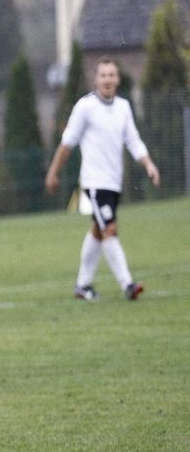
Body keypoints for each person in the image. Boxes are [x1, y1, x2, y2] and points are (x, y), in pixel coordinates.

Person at [45, 57, 160, 301]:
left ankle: (82, 285)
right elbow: (67, 144)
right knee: (109, 228)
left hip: (114, 182)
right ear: (95, 79)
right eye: (103, 75)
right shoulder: (85, 107)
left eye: (112, 75)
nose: (107, 79)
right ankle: (128, 284)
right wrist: (53, 172)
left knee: (98, 231)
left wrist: (149, 164)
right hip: (94, 182)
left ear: (118, 79)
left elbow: (133, 141)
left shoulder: (123, 108)